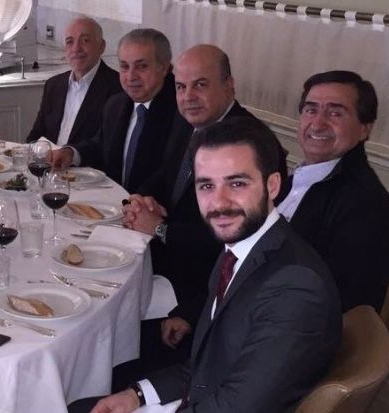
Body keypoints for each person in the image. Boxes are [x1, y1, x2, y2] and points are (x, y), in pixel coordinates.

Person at [71, 116, 341, 413]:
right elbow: (208, 364)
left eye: (237, 183)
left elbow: (238, 406)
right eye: (206, 186)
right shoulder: (239, 248)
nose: (219, 202)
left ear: (273, 185)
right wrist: (137, 394)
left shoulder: (295, 286)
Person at [115, 45, 287, 386]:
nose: (188, 97)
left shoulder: (248, 144)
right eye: (181, 87)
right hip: (170, 272)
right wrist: (140, 198)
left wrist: (160, 228)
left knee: (113, 347)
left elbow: (232, 244)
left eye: (201, 85)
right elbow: (165, 175)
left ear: (229, 85)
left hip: (202, 295)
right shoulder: (192, 125)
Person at [280, 70, 389, 311]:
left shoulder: (366, 206)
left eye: (335, 113)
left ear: (364, 129)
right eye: (311, 110)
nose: (317, 124)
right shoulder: (301, 178)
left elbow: (335, 302)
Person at [51, 28, 178, 193]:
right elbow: (101, 146)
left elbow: (170, 174)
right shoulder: (116, 104)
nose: (131, 76)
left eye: (141, 66)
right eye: (124, 66)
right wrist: (71, 153)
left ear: (164, 67)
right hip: (113, 201)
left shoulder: (180, 112)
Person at [25, 16, 120, 145]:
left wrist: (70, 154)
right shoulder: (53, 85)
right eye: (70, 42)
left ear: (101, 46)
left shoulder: (117, 87)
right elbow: (35, 136)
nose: (76, 48)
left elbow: (108, 145)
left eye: (85, 40)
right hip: (47, 157)